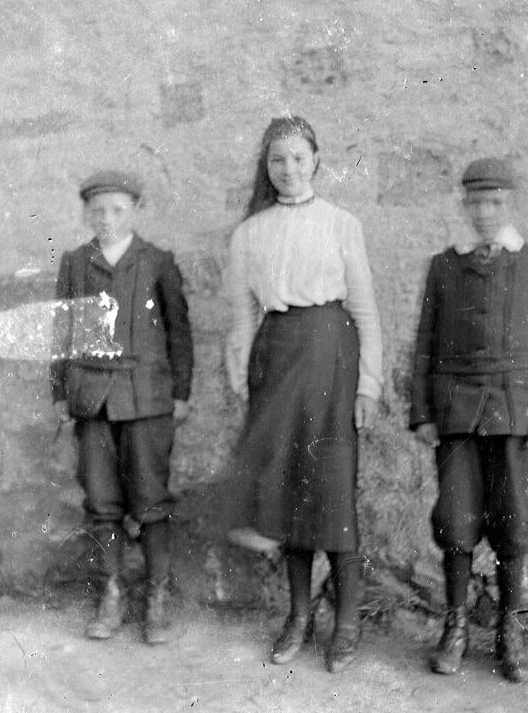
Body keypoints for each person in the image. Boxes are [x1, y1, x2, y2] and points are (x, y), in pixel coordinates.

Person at [225, 116, 383, 673]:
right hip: (276, 362)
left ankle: (346, 622)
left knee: (333, 491)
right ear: (266, 167)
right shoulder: (250, 233)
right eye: (277, 160)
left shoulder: (341, 224)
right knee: (287, 491)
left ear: (316, 160)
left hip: (332, 359)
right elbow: (242, 317)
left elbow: (364, 310)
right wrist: (243, 383)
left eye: (298, 157)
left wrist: (369, 385)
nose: (288, 169)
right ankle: (298, 616)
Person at [410, 158, 528, 682]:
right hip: (455, 411)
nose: (485, 213)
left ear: (509, 204)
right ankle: (454, 624)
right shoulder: (444, 265)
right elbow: (424, 343)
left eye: (495, 202)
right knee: (455, 518)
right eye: (476, 202)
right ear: (464, 205)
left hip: (514, 412)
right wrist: (422, 413)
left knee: (513, 520)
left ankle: (508, 628)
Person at [50, 170, 193, 643]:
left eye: (117, 210)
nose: (107, 219)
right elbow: (62, 334)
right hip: (92, 400)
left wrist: (180, 394)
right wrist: (59, 394)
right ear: (86, 214)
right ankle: (110, 593)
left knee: (151, 498)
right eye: (98, 211)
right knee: (101, 502)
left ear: (135, 211)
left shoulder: (156, 262)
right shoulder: (76, 263)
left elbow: (179, 332)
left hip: (147, 398)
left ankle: (156, 600)